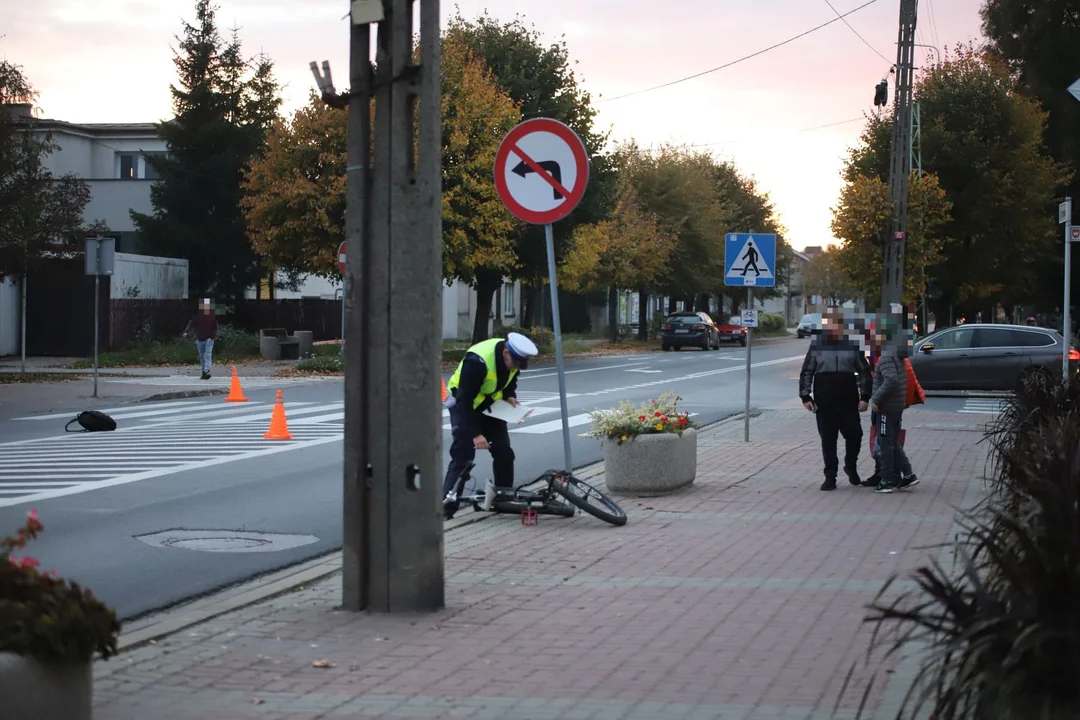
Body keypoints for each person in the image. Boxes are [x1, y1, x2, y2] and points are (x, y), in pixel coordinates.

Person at [442, 332, 539, 517]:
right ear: (505, 353)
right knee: (463, 457)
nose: (516, 368)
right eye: (515, 363)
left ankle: (503, 498)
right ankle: (447, 508)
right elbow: (464, 401)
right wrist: (476, 434)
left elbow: (512, 378)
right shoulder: (477, 361)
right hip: (464, 406)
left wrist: (510, 394)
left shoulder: (514, 357)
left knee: (504, 452)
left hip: (489, 406)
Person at [799, 307, 872, 491]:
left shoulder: (852, 344)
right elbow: (807, 370)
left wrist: (865, 397)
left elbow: (864, 371)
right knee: (828, 440)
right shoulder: (817, 345)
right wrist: (805, 396)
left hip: (848, 398)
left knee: (855, 435)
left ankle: (851, 466)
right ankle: (830, 476)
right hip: (825, 400)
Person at [869, 317, 919, 494]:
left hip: (886, 408)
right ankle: (908, 474)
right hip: (894, 406)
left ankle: (886, 480)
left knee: (885, 444)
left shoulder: (887, 357)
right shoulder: (896, 355)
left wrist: (876, 400)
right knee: (893, 441)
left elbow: (890, 381)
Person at [182, 299, 218, 380]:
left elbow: (215, 326)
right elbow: (191, 323)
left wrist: (212, 337)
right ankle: (204, 372)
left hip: (208, 338)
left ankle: (206, 370)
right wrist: (186, 332)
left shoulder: (211, 315)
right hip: (200, 339)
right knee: (202, 356)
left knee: (207, 355)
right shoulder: (198, 316)